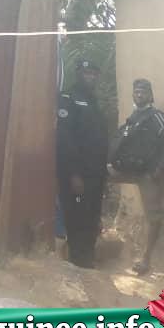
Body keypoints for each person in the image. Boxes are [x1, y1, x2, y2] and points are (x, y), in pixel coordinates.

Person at [108, 78, 164, 276]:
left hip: (149, 174)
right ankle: (98, 232)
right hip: (131, 170)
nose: (139, 94)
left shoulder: (157, 116)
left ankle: (146, 258)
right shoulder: (134, 116)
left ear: (150, 95)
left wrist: (161, 168)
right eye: (136, 91)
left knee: (153, 216)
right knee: (96, 178)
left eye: (143, 91)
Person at [56, 58, 108, 269]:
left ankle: (88, 259)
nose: (91, 77)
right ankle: (78, 260)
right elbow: (65, 139)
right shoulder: (68, 99)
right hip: (78, 175)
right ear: (78, 74)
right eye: (87, 73)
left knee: (92, 216)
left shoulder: (93, 101)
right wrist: (74, 174)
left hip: (95, 174)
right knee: (77, 217)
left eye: (94, 74)